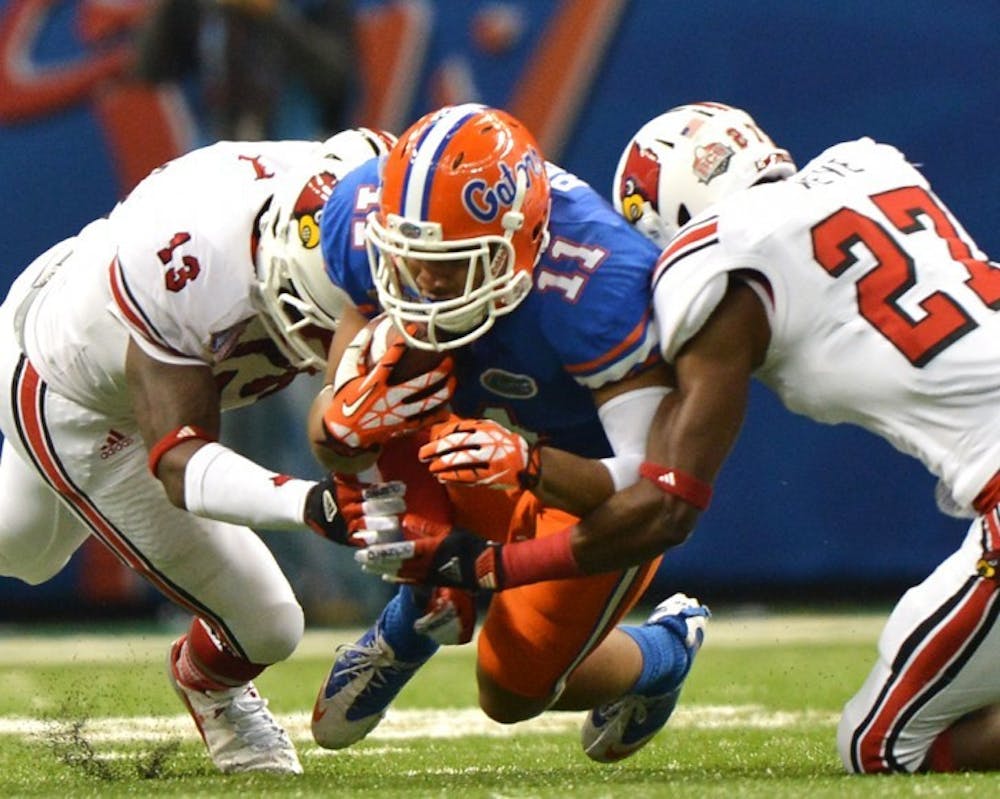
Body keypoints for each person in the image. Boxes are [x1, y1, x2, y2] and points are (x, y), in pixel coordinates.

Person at [360, 100, 1000, 774]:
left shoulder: (713, 256)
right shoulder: (874, 164)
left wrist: (491, 566)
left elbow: (668, 505)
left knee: (881, 744)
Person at [307, 103, 710, 762]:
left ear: (521, 240)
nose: (427, 283)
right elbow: (333, 425)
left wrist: (529, 461)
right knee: (365, 412)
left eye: (453, 262)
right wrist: (340, 418)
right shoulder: (365, 213)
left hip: (587, 481)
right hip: (469, 443)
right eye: (413, 259)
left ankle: (664, 651)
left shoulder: (599, 281)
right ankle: (421, 611)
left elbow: (650, 491)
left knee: (511, 691)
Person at [0, 127, 394, 774]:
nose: (351, 340)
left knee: (24, 548)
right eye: (336, 322)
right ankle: (213, 686)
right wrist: (311, 503)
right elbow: (179, 462)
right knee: (268, 622)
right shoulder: (189, 259)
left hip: (91, 321)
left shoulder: (359, 189)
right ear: (283, 281)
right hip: (75, 397)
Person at [134, 0, 356, 142]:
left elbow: (338, 78)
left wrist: (271, 15)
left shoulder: (314, 6)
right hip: (215, 153)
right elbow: (148, 71)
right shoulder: (195, 8)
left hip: (296, 150)